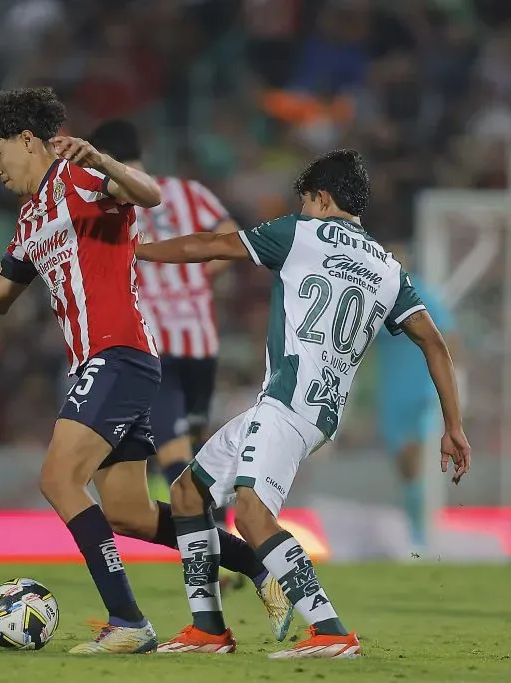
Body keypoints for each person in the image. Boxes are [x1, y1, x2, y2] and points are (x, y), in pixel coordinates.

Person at [0, 87, 292, 654]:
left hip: (121, 355)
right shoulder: (31, 218)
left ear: (27, 140)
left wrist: (103, 160)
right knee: (130, 513)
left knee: (58, 478)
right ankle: (255, 564)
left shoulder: (79, 179)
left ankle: (128, 622)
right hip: (110, 365)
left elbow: (150, 194)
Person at [136, 149, 470, 658]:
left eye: (305, 200)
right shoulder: (388, 269)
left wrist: (137, 251)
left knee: (250, 514)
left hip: (287, 406)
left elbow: (209, 244)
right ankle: (208, 630)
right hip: (314, 411)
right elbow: (435, 344)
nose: (303, 207)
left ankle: (331, 630)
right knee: (188, 493)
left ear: (321, 197)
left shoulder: (300, 232)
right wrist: (454, 426)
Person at [89, 119, 246, 592]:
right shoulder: (185, 192)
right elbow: (232, 238)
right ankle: (225, 539)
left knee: (176, 454)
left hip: (152, 345)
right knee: (195, 452)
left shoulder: (107, 200)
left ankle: (214, 555)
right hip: (200, 342)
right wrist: (197, 278)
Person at [373, 244, 458, 555]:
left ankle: (421, 536)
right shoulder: (377, 298)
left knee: (414, 461)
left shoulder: (423, 294)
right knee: (406, 469)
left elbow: (450, 336)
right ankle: (417, 532)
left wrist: (451, 384)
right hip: (390, 395)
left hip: (422, 391)